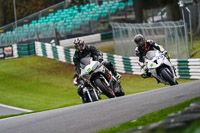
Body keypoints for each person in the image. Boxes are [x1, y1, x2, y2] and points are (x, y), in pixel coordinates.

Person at [72, 38, 121, 102]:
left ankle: (115, 74)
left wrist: (99, 57)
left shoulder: (90, 47)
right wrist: (78, 73)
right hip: (88, 69)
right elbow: (77, 66)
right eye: (77, 46)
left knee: (107, 63)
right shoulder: (76, 56)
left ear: (83, 44)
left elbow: (98, 52)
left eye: (80, 45)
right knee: (85, 81)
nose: (79, 47)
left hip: (96, 63)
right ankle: (97, 89)